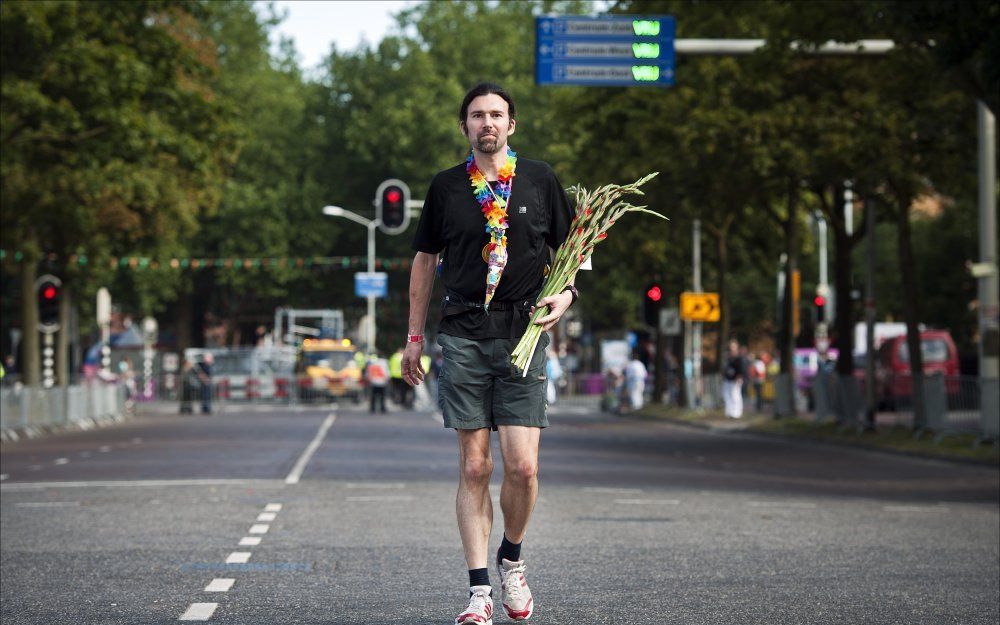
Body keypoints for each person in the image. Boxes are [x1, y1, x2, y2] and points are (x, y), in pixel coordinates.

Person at [402, 82, 576, 625]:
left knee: (523, 468)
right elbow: (425, 261)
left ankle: (512, 560)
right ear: (465, 128)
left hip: (525, 333)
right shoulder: (447, 187)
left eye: (497, 114)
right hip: (462, 334)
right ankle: (479, 590)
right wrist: (413, 337)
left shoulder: (541, 180)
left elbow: (574, 253)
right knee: (475, 465)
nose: (487, 123)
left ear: (512, 125)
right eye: (477, 115)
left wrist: (566, 296)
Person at [722, 339, 746, 418]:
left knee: (735, 395)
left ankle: (737, 413)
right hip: (728, 379)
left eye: (733, 347)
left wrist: (740, 377)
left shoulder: (739, 358)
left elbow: (742, 369)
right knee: (727, 395)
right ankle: (729, 412)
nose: (732, 348)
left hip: (735, 380)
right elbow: (725, 369)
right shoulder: (728, 358)